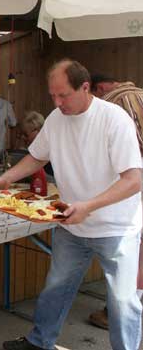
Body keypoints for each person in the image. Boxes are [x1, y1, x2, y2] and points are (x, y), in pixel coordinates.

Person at [0, 59, 142, 350]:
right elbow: (38, 156)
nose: (57, 103)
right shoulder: (55, 119)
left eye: (63, 95)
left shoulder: (114, 119)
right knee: (56, 287)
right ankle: (39, 342)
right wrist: (8, 177)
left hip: (117, 228)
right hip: (71, 224)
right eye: (53, 95)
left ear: (85, 87)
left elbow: (133, 180)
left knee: (123, 301)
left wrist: (89, 206)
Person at [88, 74, 143, 330]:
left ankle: (118, 314)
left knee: (131, 251)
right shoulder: (140, 94)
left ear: (98, 88)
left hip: (135, 184)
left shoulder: (117, 103)